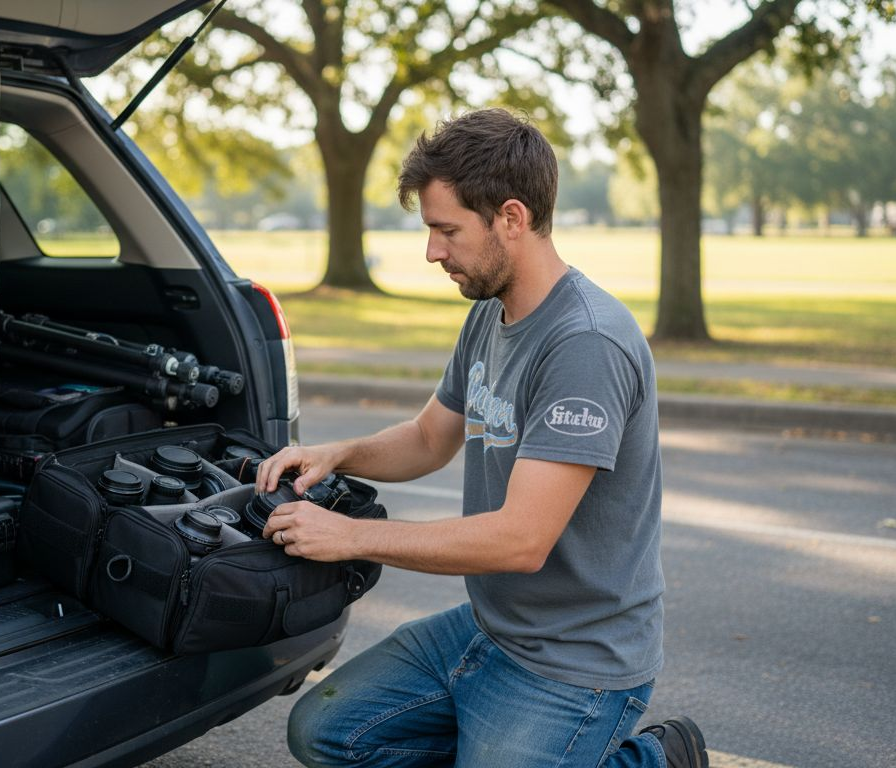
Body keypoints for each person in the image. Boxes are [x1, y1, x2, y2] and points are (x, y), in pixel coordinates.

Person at [256, 109, 708, 768]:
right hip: (489, 628)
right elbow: (428, 438)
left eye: (446, 230)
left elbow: (520, 540)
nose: (433, 251)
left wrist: (348, 536)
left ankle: (655, 760)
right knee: (327, 733)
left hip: (574, 660)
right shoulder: (492, 314)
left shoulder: (585, 343)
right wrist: (338, 454)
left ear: (512, 219)